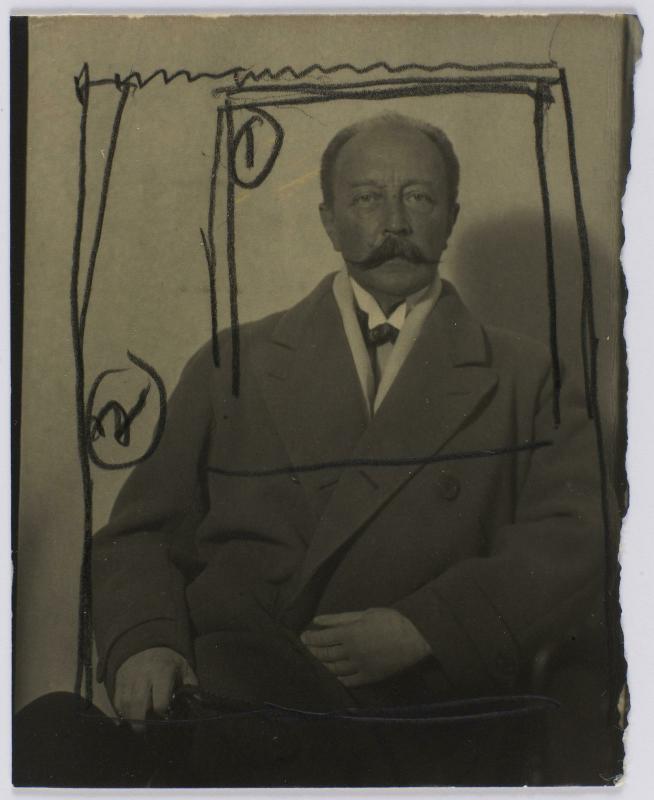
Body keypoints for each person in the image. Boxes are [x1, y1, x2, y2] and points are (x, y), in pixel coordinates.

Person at [85, 112, 602, 786]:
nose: (394, 224)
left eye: (419, 197)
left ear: (451, 217)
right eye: (367, 199)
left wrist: (428, 628)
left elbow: (576, 539)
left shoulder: (528, 376)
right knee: (51, 734)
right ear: (329, 221)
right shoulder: (231, 361)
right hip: (229, 701)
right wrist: (145, 643)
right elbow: (140, 535)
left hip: (422, 720)